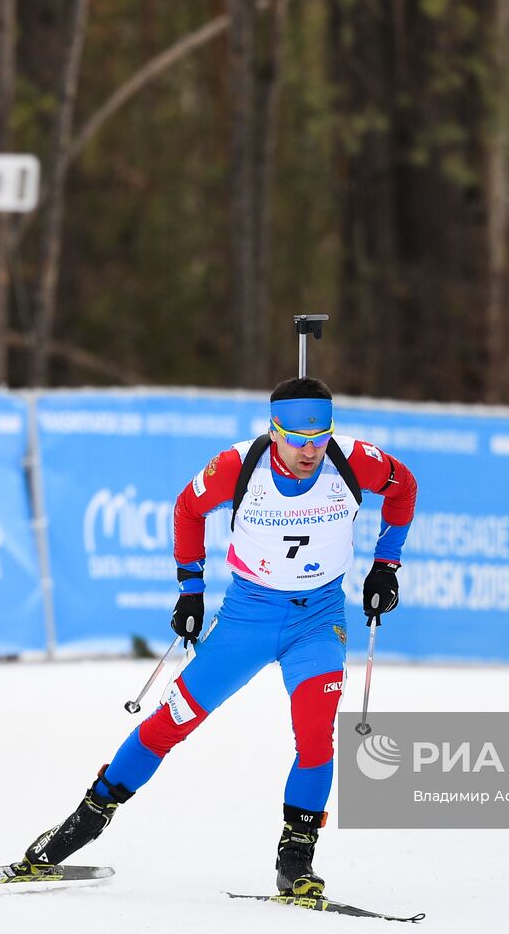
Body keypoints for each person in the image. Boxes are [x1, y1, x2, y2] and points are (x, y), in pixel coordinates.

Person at [23, 376, 418, 895]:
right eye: (297, 439)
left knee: (317, 735)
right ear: (273, 432)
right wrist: (190, 591)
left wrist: (385, 566)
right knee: (172, 722)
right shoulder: (237, 466)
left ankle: (295, 859)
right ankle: (86, 820)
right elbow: (187, 509)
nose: (310, 451)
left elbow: (403, 487)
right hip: (246, 620)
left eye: (320, 438)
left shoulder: (354, 461)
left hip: (318, 621)